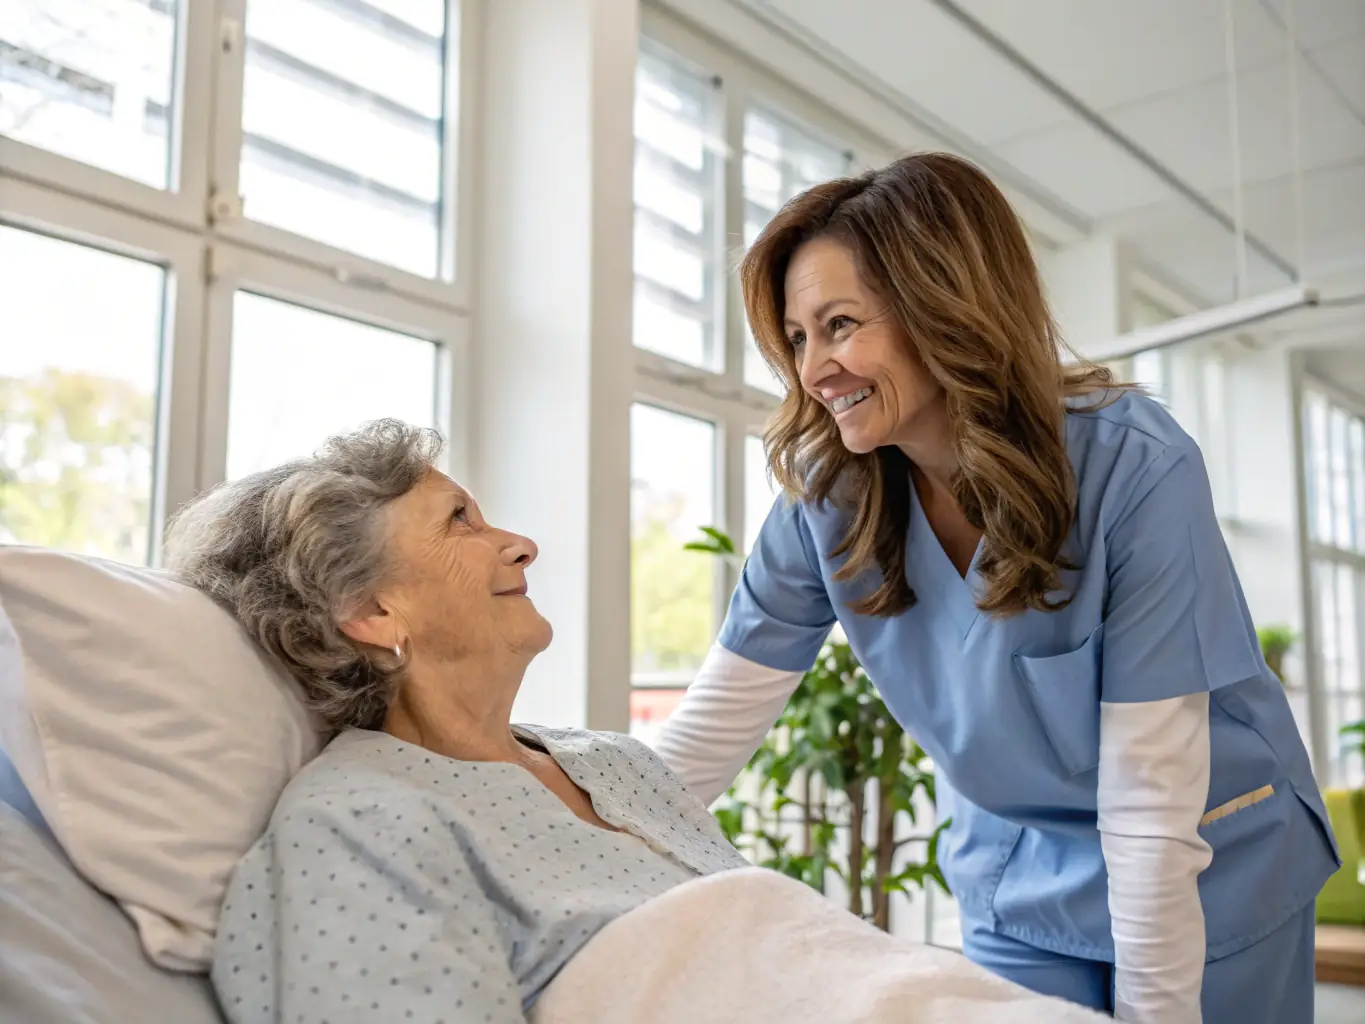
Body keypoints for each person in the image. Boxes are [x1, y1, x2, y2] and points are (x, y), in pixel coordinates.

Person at [653, 153, 1339, 1024]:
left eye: (839, 325)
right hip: (1019, 880)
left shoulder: (1132, 467)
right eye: (796, 338)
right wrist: (542, 841)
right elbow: (699, 747)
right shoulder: (828, 501)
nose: (813, 368)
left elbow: (1149, 794)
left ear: (942, 306)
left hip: (1208, 861)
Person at [165, 421, 748, 1024]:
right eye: (459, 520)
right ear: (370, 610)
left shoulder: (618, 762)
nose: (523, 545)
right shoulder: (357, 825)